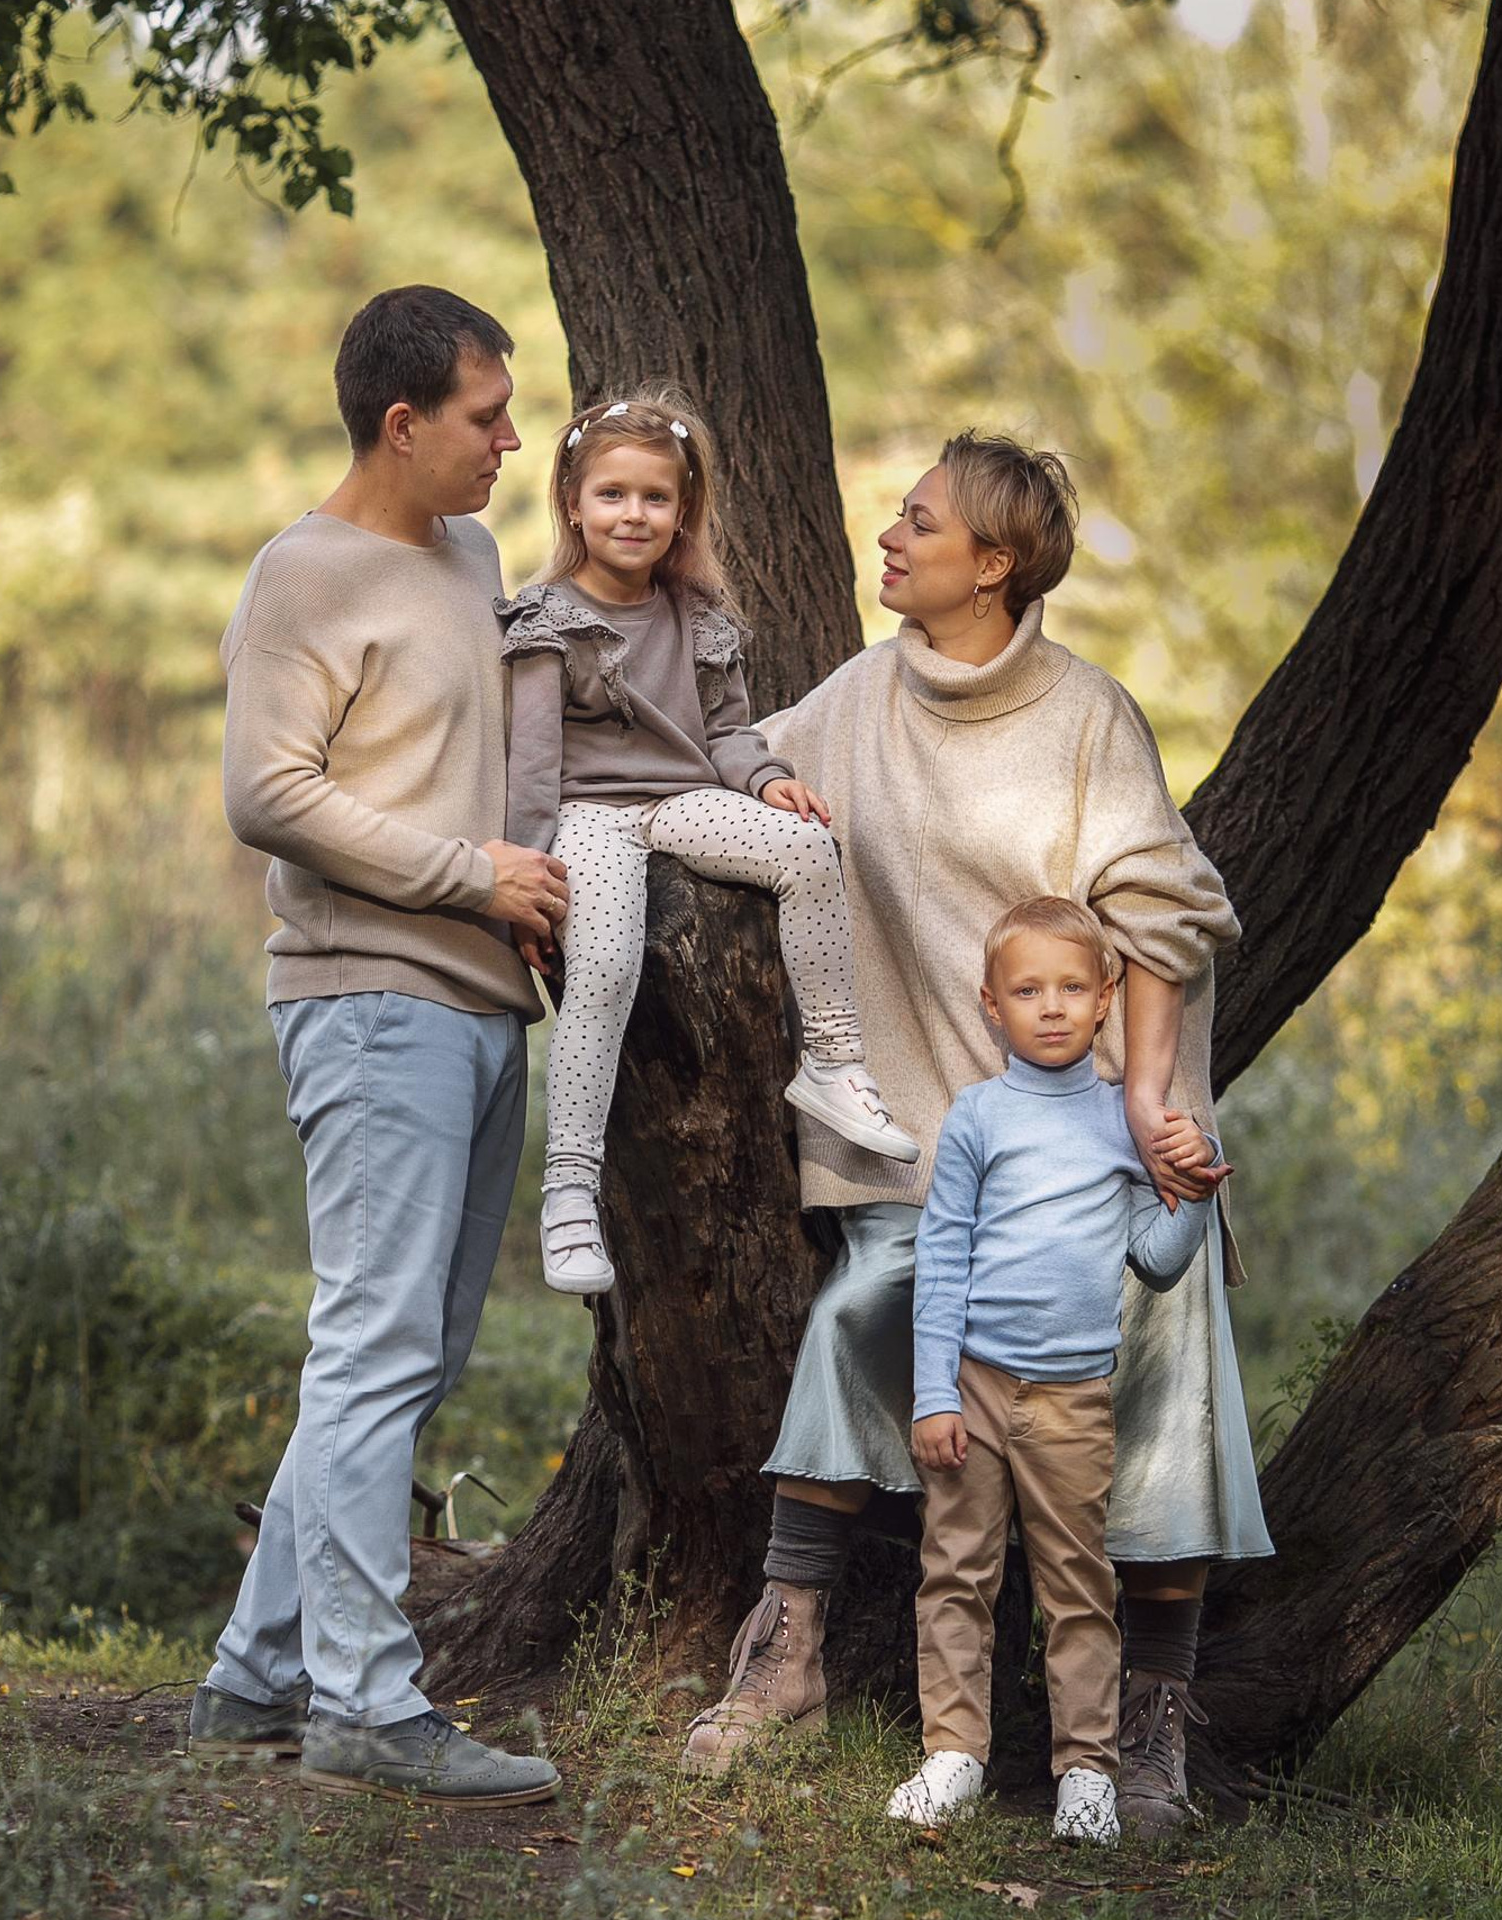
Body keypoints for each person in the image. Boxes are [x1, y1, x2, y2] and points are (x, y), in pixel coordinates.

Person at [681, 432, 1272, 1839]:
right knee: (862, 1309)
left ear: (994, 562)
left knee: (1171, 1337)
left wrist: (1142, 1111)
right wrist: (761, 798)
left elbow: (1174, 912)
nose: (890, 536)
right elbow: (742, 766)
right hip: (936, 1148)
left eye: (920, 521)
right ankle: (788, 1656)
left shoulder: (1085, 718)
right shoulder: (865, 695)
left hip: (1097, 1148)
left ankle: (1150, 1722)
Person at [186, 286, 565, 1807]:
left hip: (479, 1005)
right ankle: (362, 1703)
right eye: (487, 415)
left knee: (413, 1351)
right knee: (376, 1347)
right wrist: (470, 874)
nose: (510, 439)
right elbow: (268, 793)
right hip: (366, 1002)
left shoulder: (470, 556)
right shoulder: (303, 574)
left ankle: (256, 1674)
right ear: (403, 424)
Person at [497, 389, 918, 1296]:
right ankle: (570, 1189)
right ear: (572, 502)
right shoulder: (545, 621)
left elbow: (727, 734)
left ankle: (836, 1066)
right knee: (606, 967)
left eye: (655, 497)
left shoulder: (698, 616)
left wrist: (768, 783)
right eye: (612, 495)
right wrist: (529, 885)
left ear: (683, 511)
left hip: (683, 799)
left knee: (806, 851)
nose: (633, 515)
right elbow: (531, 768)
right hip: (588, 815)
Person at [889, 897, 1218, 1845]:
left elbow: (1155, 1257)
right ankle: (954, 1752)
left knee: (1078, 1588)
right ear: (990, 1005)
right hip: (977, 1390)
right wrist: (934, 1394)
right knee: (955, 1571)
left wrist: (1194, 1186)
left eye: (1073, 988)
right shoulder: (978, 1117)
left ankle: (1086, 1771)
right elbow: (942, 1258)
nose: (1051, 1007)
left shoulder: (1127, 1122)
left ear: (1108, 999)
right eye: (1027, 990)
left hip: (1074, 1397)